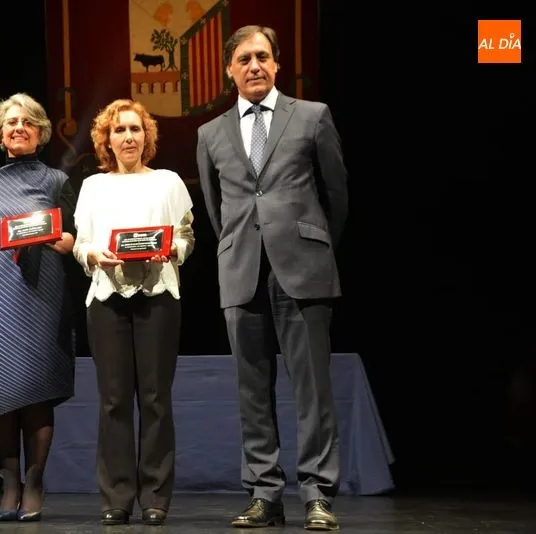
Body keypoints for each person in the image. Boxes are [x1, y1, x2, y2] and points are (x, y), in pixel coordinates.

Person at [196, 24, 348, 531]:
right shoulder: (210, 133)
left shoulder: (311, 116)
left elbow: (336, 195)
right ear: (229, 70)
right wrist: (243, 245)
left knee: (312, 389)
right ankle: (264, 493)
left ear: (277, 63)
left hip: (303, 268)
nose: (254, 65)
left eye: (262, 56)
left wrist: (309, 241)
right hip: (242, 269)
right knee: (251, 391)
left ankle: (317, 494)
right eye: (244, 59)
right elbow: (217, 211)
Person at [73, 98, 195, 526]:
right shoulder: (93, 186)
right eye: (119, 130)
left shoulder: (167, 182)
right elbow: (79, 243)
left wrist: (168, 251)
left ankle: (156, 496)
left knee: (156, 399)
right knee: (113, 400)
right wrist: (93, 254)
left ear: (147, 136)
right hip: (107, 297)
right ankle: (117, 496)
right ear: (106, 139)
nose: (128, 137)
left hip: (158, 293)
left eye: (135, 129)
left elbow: (186, 237)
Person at [0, 92, 77, 522]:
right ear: (0, 133)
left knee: (36, 387)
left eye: (27, 122)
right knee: (1, 390)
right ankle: (8, 480)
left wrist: (53, 237)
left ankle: (34, 478)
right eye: (11, 122)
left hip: (41, 294)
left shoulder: (56, 181)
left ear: (40, 132)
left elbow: (70, 239)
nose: (18, 127)